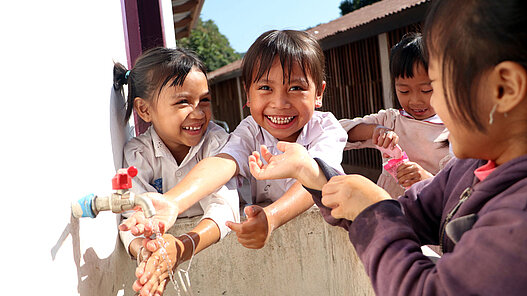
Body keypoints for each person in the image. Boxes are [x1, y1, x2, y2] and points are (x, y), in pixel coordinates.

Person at [247, 0, 527, 294]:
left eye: (436, 84)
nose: (431, 105)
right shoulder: (467, 170)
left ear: (504, 89)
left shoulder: (518, 215)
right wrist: (313, 173)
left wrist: (373, 208)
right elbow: (402, 213)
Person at [121, 30, 348, 295]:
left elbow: (316, 179)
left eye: (296, 88)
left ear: (318, 93)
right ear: (248, 95)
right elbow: (224, 162)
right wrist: (173, 201)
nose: (280, 103)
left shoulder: (327, 130)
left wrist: (271, 217)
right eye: (265, 88)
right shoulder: (250, 130)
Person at [113, 47, 240, 295]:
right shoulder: (138, 154)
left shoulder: (216, 143)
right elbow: (131, 218)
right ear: (145, 110)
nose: (199, 112)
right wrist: (145, 254)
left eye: (204, 100)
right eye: (183, 101)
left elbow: (225, 206)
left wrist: (183, 246)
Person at [340, 32, 451, 198]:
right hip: (390, 214)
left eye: (426, 90)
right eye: (404, 91)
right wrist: (374, 131)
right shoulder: (391, 121)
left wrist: (427, 179)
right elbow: (336, 131)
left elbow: (463, 188)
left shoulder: (456, 130)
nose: (415, 100)